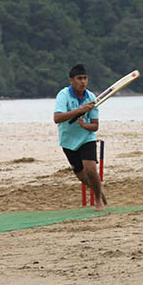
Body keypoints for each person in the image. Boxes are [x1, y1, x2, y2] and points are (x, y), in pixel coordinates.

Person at [54, 63, 106, 210]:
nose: (83, 81)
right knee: (82, 176)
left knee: (90, 169)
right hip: (68, 140)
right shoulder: (63, 95)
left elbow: (95, 126)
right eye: (79, 78)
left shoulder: (91, 97)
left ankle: (98, 200)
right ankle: (99, 190)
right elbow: (57, 118)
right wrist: (79, 110)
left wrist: (85, 126)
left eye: (85, 78)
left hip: (86, 138)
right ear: (71, 80)